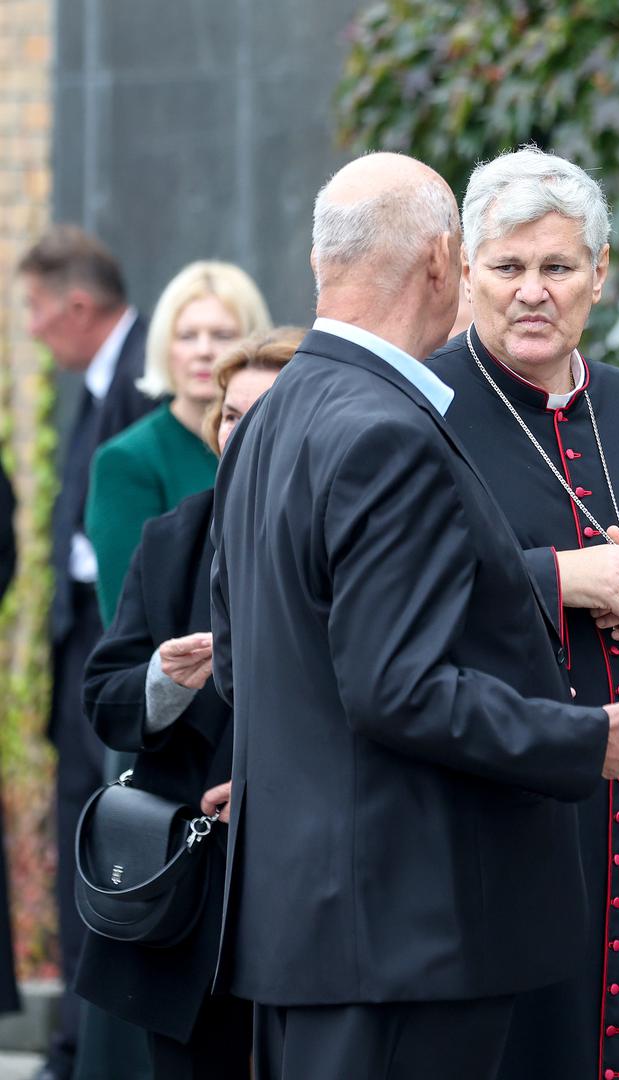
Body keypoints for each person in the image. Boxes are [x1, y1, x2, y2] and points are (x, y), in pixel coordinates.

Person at [210, 151, 619, 1080]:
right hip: (403, 930)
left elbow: (241, 667)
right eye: (503, 264)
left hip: (307, 928)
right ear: (447, 261)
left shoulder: (270, 415)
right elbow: (396, 689)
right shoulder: (388, 429)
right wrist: (579, 740)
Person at [427, 145, 619, 1080]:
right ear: (468, 272)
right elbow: (394, 596)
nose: (533, 292)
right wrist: (557, 578)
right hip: (496, 801)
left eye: (558, 267)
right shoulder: (421, 408)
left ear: (599, 275)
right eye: (509, 267)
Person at [78, 327, 301, 1080]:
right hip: (193, 899)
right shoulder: (173, 537)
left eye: (264, 414)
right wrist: (163, 683)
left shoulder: (355, 533)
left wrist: (279, 784)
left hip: (311, 889)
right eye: (231, 415)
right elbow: (106, 700)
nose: (242, 431)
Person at [18, 224, 157, 1080]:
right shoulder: (104, 378)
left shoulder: (141, 379)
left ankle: (86, 1048)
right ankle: (74, 1044)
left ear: (77, 305)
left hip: (121, 656)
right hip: (86, 648)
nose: (32, 328)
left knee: (105, 839)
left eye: (36, 309)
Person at [86, 260, 271, 624]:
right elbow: (125, 618)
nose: (204, 350)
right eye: (187, 336)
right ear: (164, 347)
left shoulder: (276, 443)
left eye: (223, 335)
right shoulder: (127, 461)